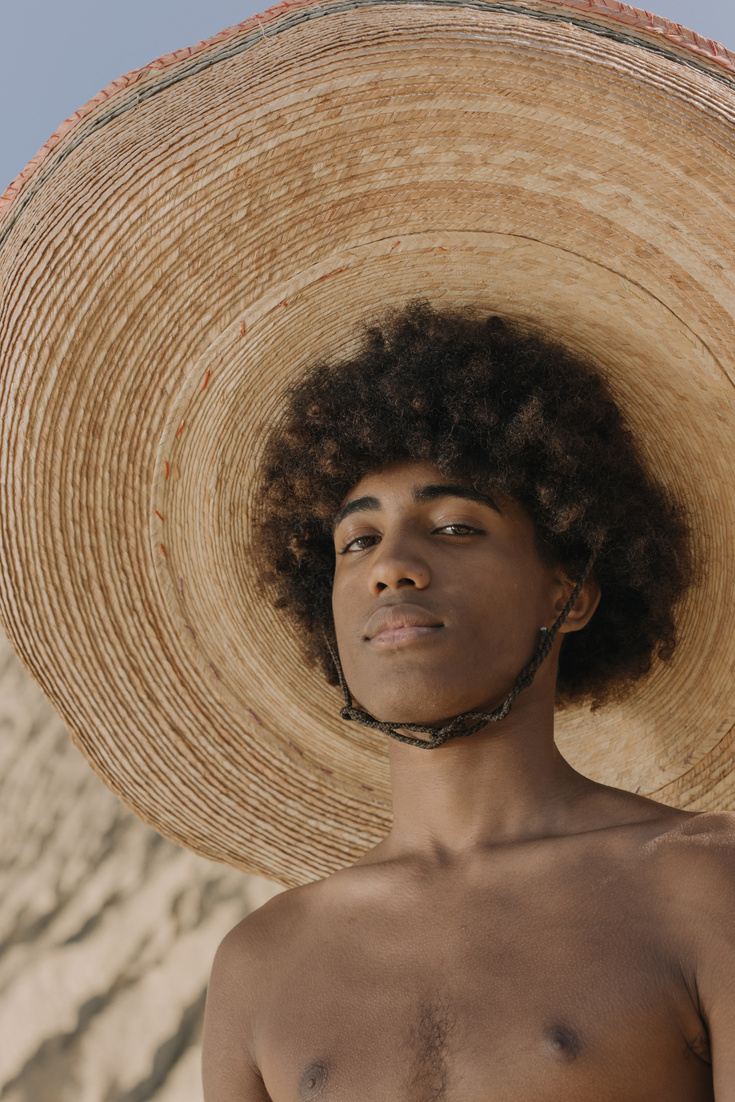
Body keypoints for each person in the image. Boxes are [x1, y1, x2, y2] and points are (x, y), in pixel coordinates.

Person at [202, 302, 732, 1100]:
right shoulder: (261, 960)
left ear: (570, 592)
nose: (392, 567)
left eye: (453, 527)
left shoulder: (700, 887)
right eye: (357, 541)